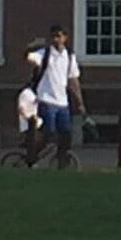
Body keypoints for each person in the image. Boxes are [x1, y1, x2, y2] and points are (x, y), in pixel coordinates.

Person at [33, 27, 84, 167]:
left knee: (66, 134)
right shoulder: (45, 53)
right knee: (48, 132)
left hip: (62, 102)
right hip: (45, 99)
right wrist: (31, 48)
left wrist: (80, 102)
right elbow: (31, 59)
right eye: (53, 36)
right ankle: (32, 156)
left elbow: (73, 81)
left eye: (58, 36)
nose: (56, 39)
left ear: (65, 38)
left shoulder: (69, 56)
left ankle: (62, 161)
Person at [16, 46, 46, 164]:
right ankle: (31, 161)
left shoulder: (35, 93)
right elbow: (21, 108)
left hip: (35, 123)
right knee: (36, 142)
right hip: (29, 126)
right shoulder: (26, 93)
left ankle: (34, 158)